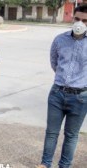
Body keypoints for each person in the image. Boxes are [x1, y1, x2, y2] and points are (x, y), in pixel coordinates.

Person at [37, 4, 87, 168]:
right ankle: (45, 164)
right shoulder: (60, 39)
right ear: (73, 18)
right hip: (57, 93)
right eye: (78, 19)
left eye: (85, 21)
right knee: (51, 133)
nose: (80, 23)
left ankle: (64, 166)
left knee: (71, 135)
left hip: (81, 97)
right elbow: (54, 62)